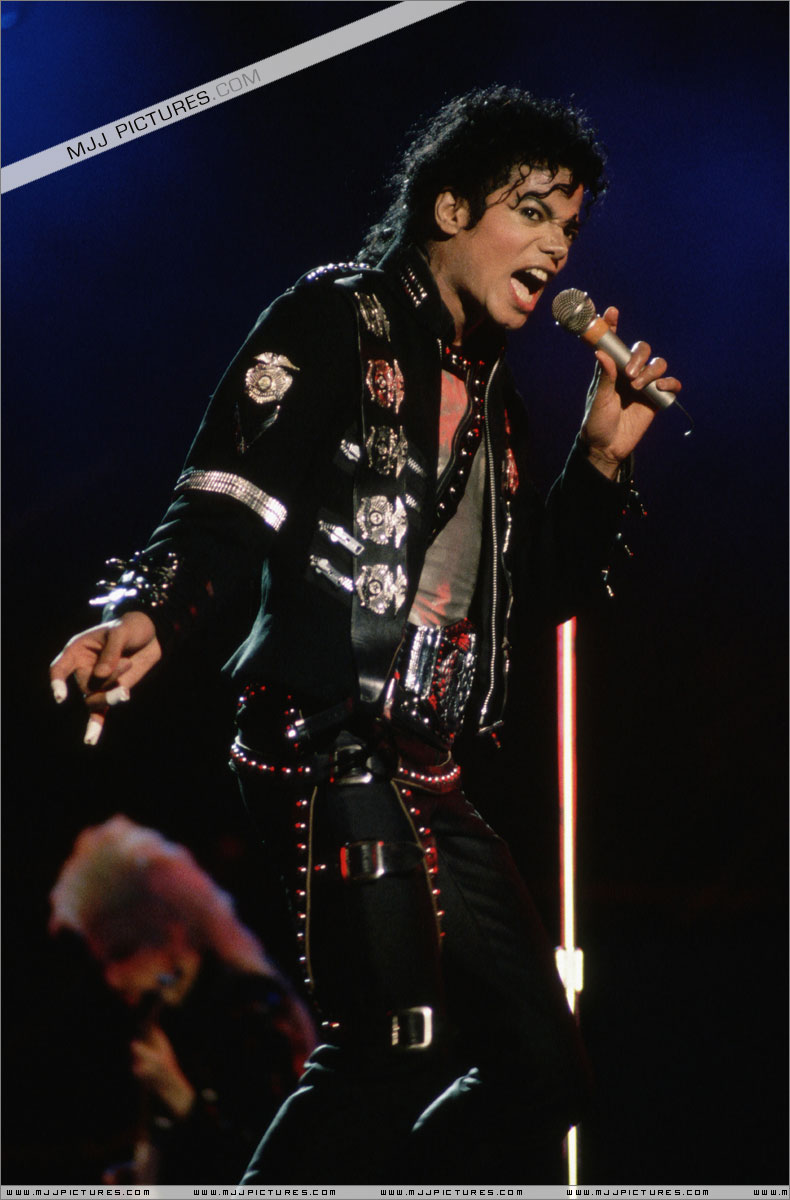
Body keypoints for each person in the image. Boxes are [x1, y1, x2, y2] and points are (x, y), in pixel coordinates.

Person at [50, 86, 681, 1182]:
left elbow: (529, 601)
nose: (556, 246)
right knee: (390, 1043)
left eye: (570, 226)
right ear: (450, 208)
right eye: (532, 211)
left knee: (546, 1074)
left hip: (430, 768)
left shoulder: (498, 402)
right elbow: (223, 503)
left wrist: (600, 461)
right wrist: (144, 609)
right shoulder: (333, 316)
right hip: (326, 730)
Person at [48, 814, 316, 1184]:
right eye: (103, 961)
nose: (112, 978)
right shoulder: (168, 1016)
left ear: (170, 931)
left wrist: (179, 1095)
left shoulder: (254, 1005)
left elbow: (280, 1160)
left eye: (121, 953)